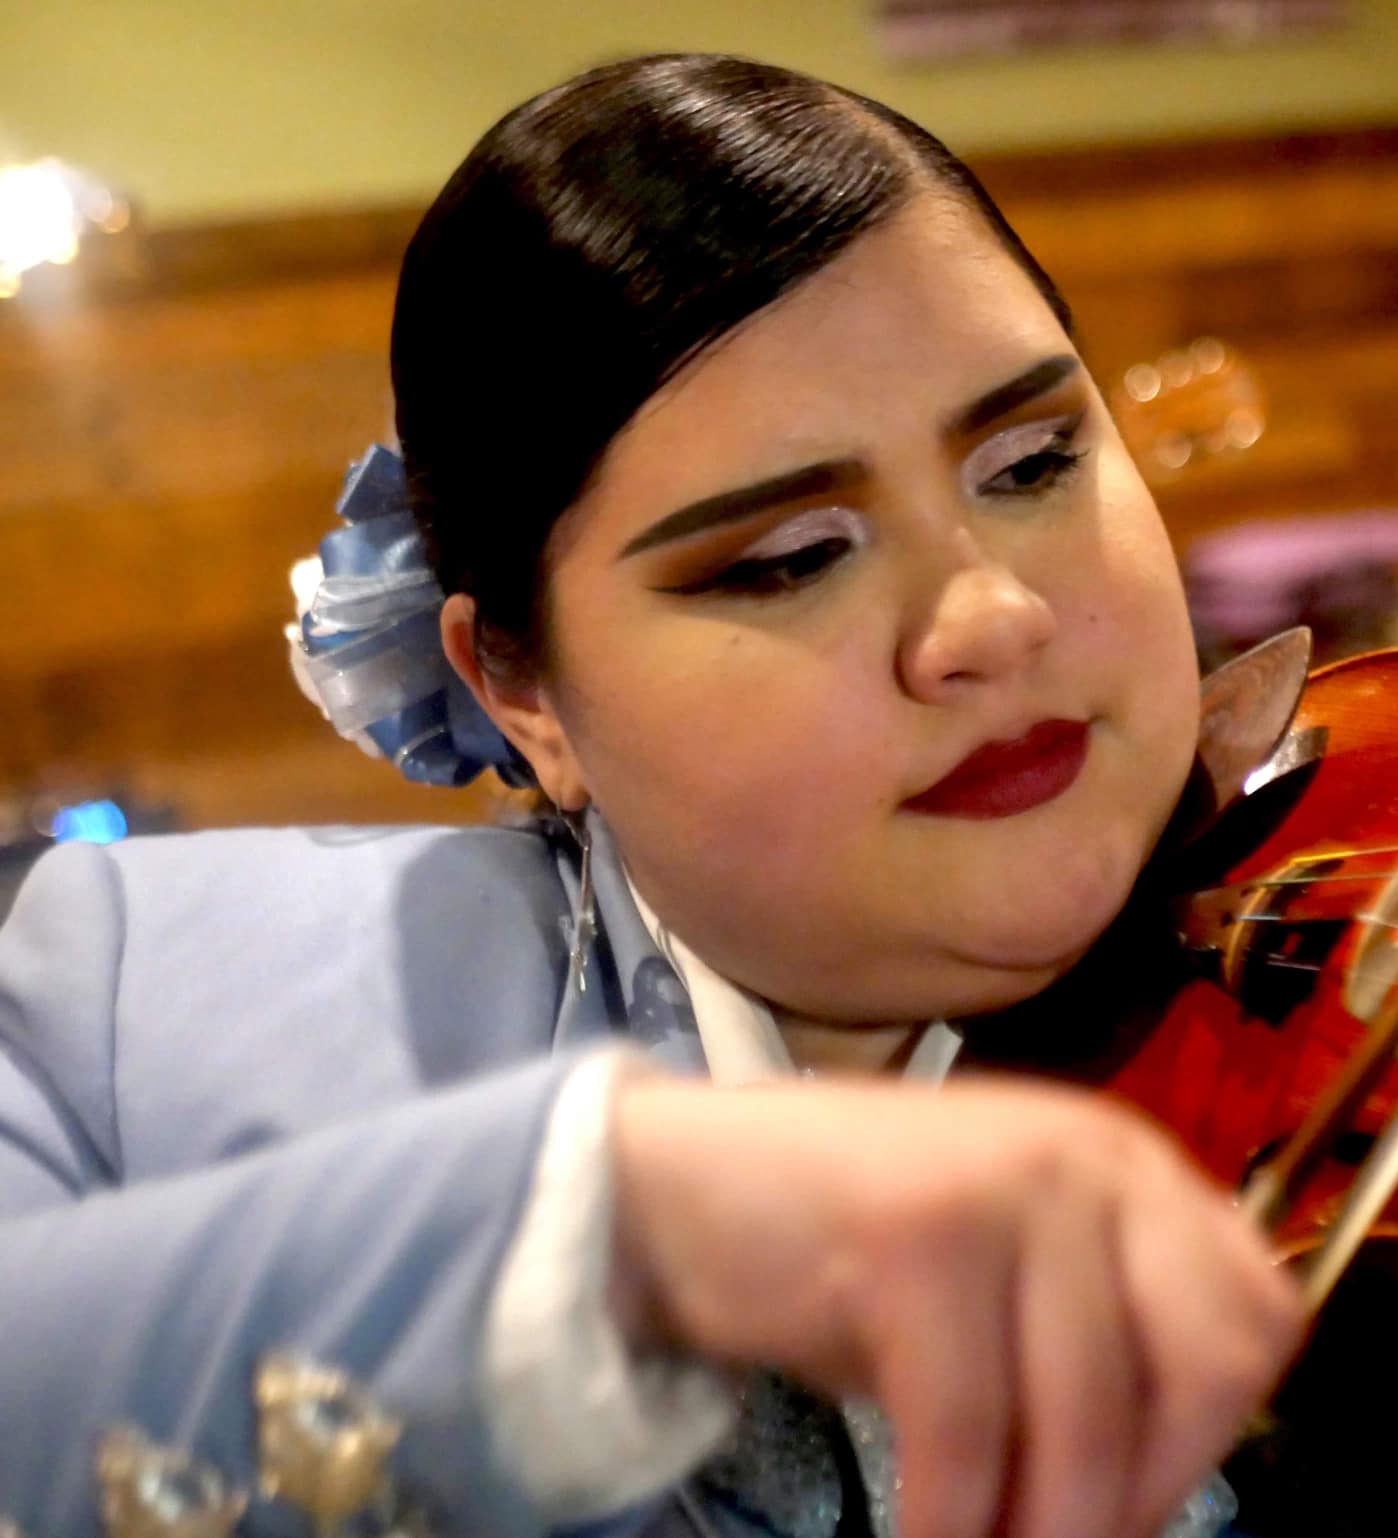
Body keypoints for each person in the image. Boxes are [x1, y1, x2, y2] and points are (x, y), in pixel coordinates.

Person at [0, 56, 1308, 1538]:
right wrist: (623, 1228)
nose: (993, 617)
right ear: (523, 691)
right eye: (791, 557)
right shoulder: (127, 1010)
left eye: (1033, 460)